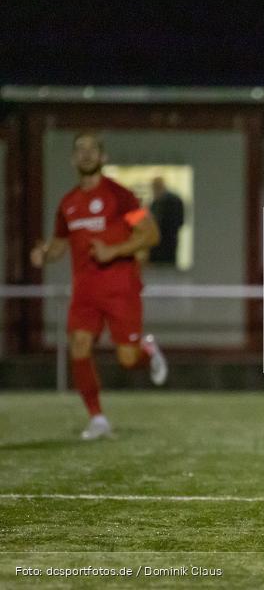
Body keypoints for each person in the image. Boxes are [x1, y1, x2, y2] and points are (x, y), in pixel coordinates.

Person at [30, 132, 169, 440]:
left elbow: (151, 234)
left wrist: (114, 250)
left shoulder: (122, 196)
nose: (86, 154)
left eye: (93, 149)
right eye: (80, 149)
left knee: (127, 360)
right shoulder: (67, 204)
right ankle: (97, 418)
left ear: (103, 157)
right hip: (85, 291)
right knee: (79, 346)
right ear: (72, 159)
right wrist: (44, 254)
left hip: (121, 288)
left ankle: (147, 349)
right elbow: (59, 245)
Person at [148, 176, 185, 265]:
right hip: (158, 244)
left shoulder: (172, 201)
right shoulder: (156, 202)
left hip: (166, 243)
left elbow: (177, 221)